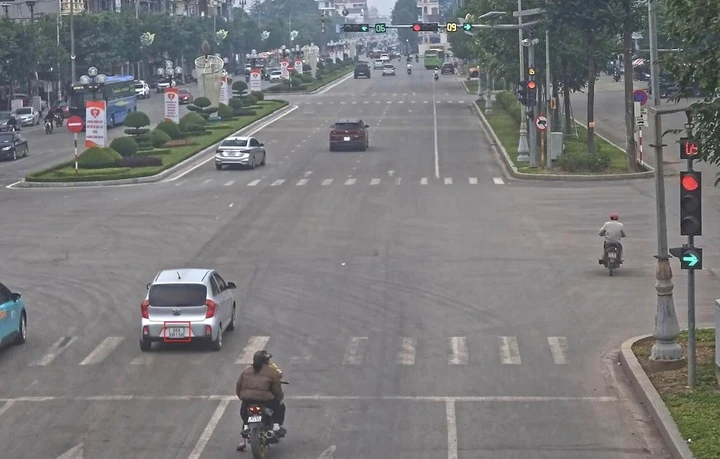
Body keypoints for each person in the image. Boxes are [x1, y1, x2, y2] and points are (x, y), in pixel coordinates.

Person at [236, 350, 286, 450]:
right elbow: (276, 390)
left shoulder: (246, 371)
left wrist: (242, 397)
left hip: (248, 400)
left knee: (245, 412)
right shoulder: (271, 372)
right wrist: (280, 398)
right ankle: (276, 426)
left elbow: (238, 386)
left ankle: (246, 427)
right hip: (265, 401)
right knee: (280, 406)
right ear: (266, 361)